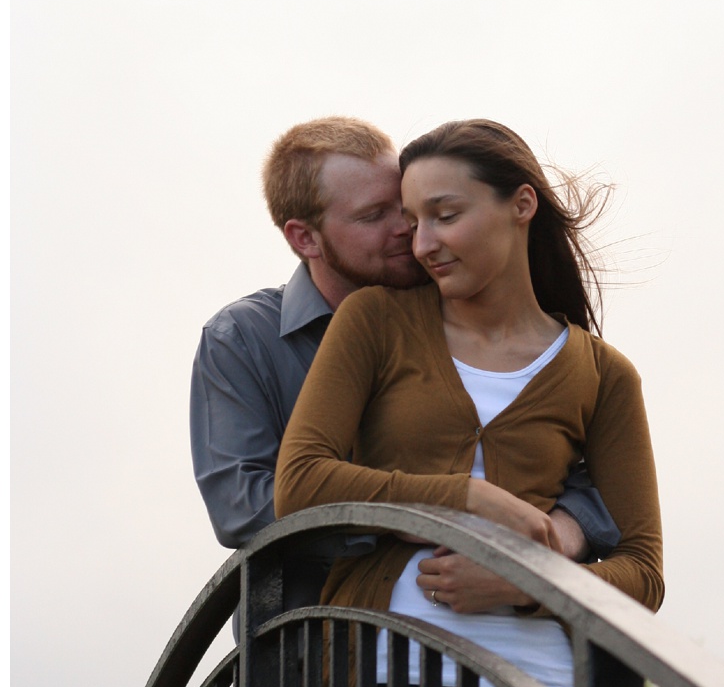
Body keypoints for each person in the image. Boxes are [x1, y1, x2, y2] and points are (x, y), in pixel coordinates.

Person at [273, 118, 665, 687]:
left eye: (443, 214)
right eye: (410, 220)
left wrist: (526, 583)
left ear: (519, 205)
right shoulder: (376, 320)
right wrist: (464, 498)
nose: (422, 241)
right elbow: (300, 482)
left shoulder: (603, 373)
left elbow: (641, 571)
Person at [189, 116, 622, 590]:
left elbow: (581, 477)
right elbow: (242, 506)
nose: (409, 232)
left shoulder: (469, 308)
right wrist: (436, 511)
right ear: (304, 238)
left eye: (408, 209)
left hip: (490, 618)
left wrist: (553, 543)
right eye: (374, 216)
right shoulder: (241, 338)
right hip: (314, 645)